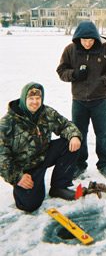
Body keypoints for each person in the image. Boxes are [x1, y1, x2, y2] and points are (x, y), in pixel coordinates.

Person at [0, 82, 82, 212]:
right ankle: (23, 189)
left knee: (69, 144)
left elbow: (65, 125)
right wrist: (17, 176)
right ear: (23, 99)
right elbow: (2, 155)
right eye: (31, 98)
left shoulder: (46, 112)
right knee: (30, 206)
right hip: (26, 168)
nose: (35, 102)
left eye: (38, 98)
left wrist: (74, 136)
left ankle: (59, 187)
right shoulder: (8, 122)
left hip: (44, 155)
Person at [56, 21, 106, 179]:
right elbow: (61, 70)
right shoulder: (70, 50)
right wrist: (74, 74)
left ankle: (104, 164)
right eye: (84, 40)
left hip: (99, 100)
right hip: (79, 100)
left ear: (95, 38)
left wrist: (104, 79)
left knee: (102, 134)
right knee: (79, 134)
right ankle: (79, 164)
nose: (87, 43)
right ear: (78, 38)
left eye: (90, 40)